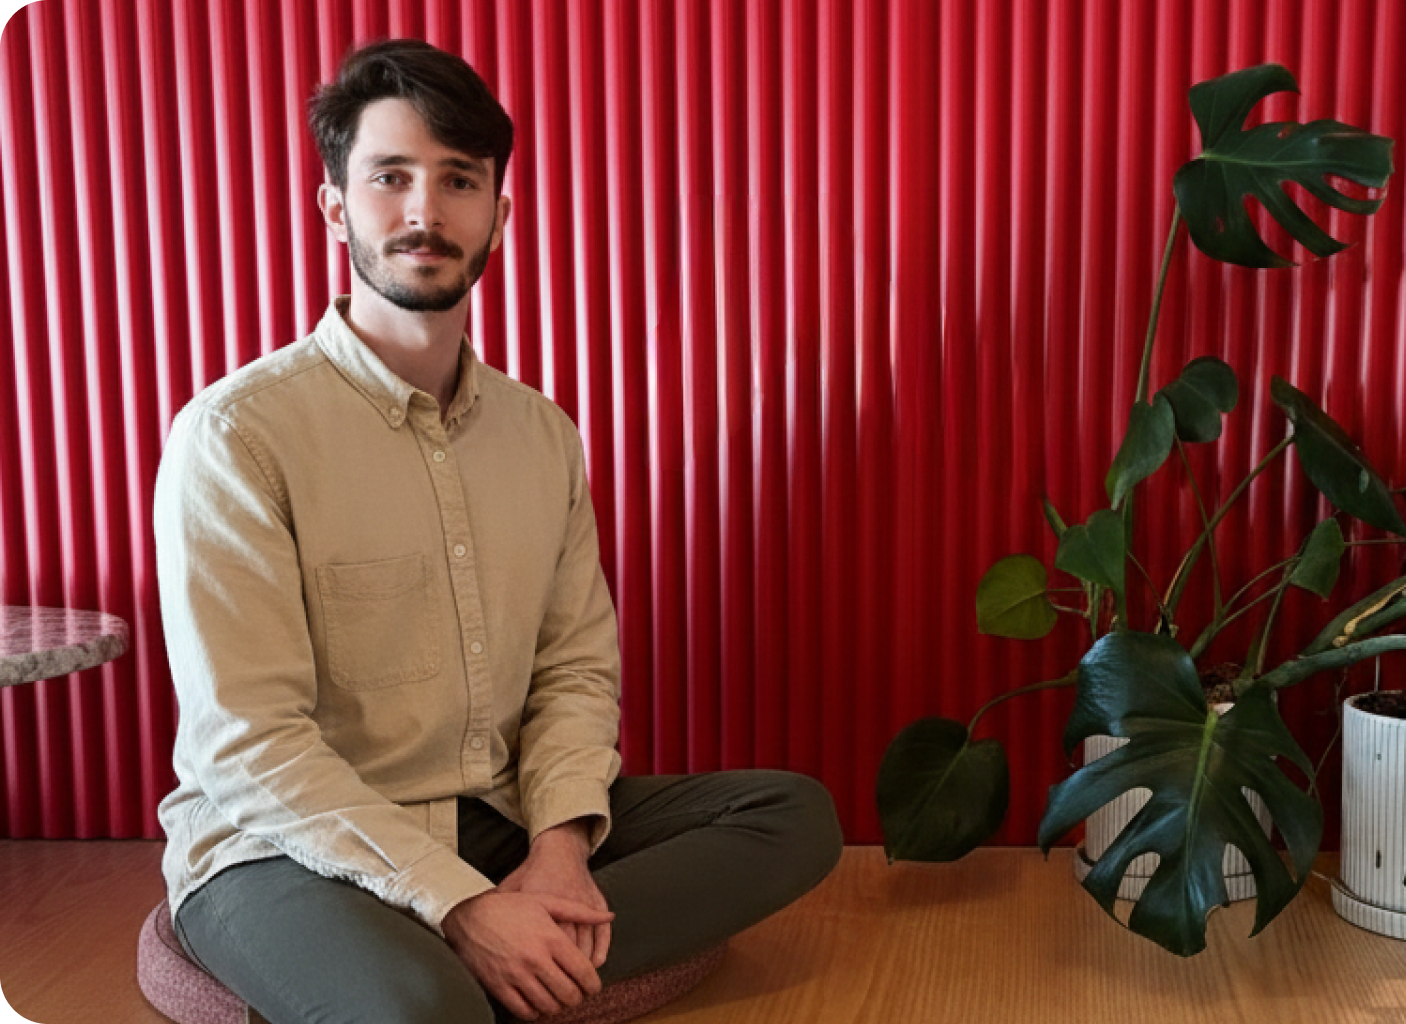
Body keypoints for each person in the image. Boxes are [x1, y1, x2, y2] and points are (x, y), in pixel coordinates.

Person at [153, 37, 842, 1024]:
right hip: (285, 845)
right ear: (335, 207)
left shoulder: (540, 435)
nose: (425, 212)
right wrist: (460, 903)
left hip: (494, 819)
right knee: (420, 1013)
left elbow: (573, 671)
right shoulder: (236, 436)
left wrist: (557, 850)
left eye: (458, 180)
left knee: (790, 816)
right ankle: (456, 959)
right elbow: (249, 744)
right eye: (390, 177)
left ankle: (508, 945)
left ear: (498, 216)